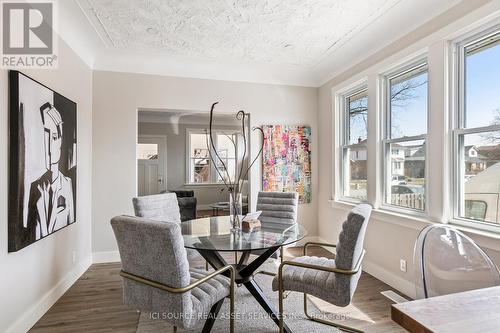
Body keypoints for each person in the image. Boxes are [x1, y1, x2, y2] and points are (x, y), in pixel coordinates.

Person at [27, 102, 74, 241]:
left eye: (53, 137)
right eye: (45, 137)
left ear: (60, 140)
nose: (48, 148)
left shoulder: (67, 184)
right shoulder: (35, 187)